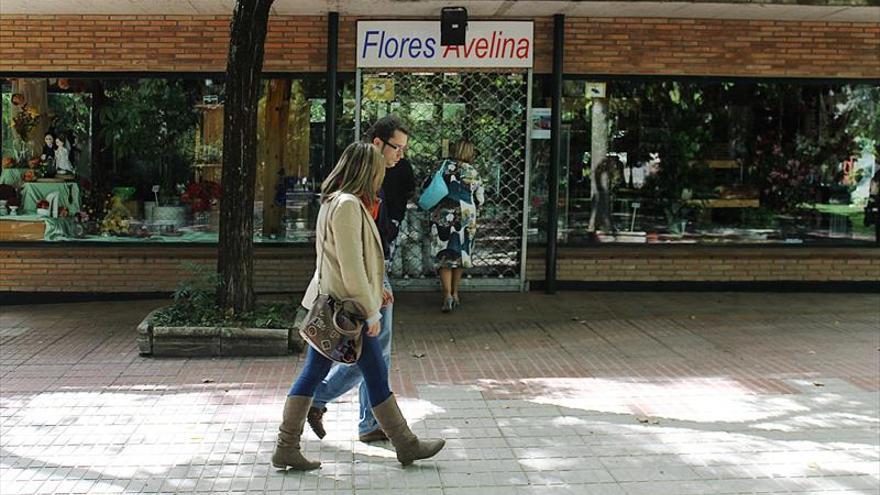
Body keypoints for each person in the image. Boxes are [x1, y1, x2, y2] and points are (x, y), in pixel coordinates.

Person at [271, 142, 443, 471]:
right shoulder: (349, 205)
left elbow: (344, 261)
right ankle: (405, 444)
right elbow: (350, 266)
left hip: (335, 307)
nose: (382, 178)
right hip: (347, 310)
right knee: (373, 373)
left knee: (321, 374)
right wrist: (371, 310)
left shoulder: (334, 202)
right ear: (367, 172)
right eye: (379, 172)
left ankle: (287, 446)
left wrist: (377, 289)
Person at [307, 115, 414, 443]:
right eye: (396, 147)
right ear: (378, 143)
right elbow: (357, 252)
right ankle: (321, 401)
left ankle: (369, 421)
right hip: (364, 283)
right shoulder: (357, 189)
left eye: (404, 150)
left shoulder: (385, 177)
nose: (400, 155)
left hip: (371, 279)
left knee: (368, 353)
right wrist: (375, 290)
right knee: (368, 353)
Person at [426, 140, 485, 312]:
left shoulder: (441, 166)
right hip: (466, 216)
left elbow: (427, 186)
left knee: (444, 255)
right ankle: (456, 293)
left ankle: (447, 295)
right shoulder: (472, 171)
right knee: (461, 255)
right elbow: (480, 198)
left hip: (442, 214)